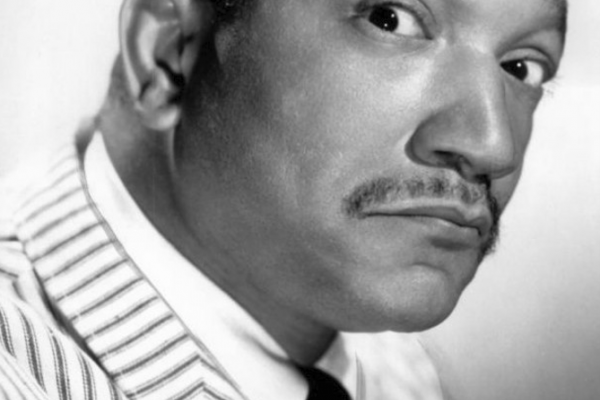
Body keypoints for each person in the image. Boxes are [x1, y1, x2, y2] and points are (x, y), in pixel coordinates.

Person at [0, 0, 567, 398]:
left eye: (521, 67)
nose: (493, 146)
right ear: (168, 53)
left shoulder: (396, 372)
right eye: (389, 19)